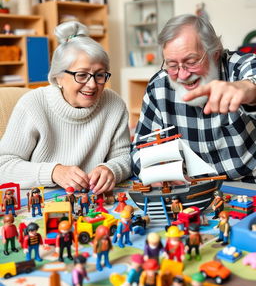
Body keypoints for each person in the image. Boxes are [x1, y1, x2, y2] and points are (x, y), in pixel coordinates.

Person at [0, 21, 131, 193]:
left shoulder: (115, 104)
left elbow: (124, 157)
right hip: (41, 198)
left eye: (100, 75)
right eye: (82, 75)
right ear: (58, 77)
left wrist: (112, 170)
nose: (92, 84)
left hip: (92, 199)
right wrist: (53, 172)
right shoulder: (32, 104)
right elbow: (4, 166)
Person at [131, 14, 256, 184]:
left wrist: (247, 88)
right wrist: (155, 172)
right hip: (191, 189)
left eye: (191, 62)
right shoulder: (158, 87)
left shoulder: (240, 66)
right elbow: (140, 149)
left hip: (248, 183)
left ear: (215, 54)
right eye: (172, 65)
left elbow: (253, 73)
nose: (182, 75)